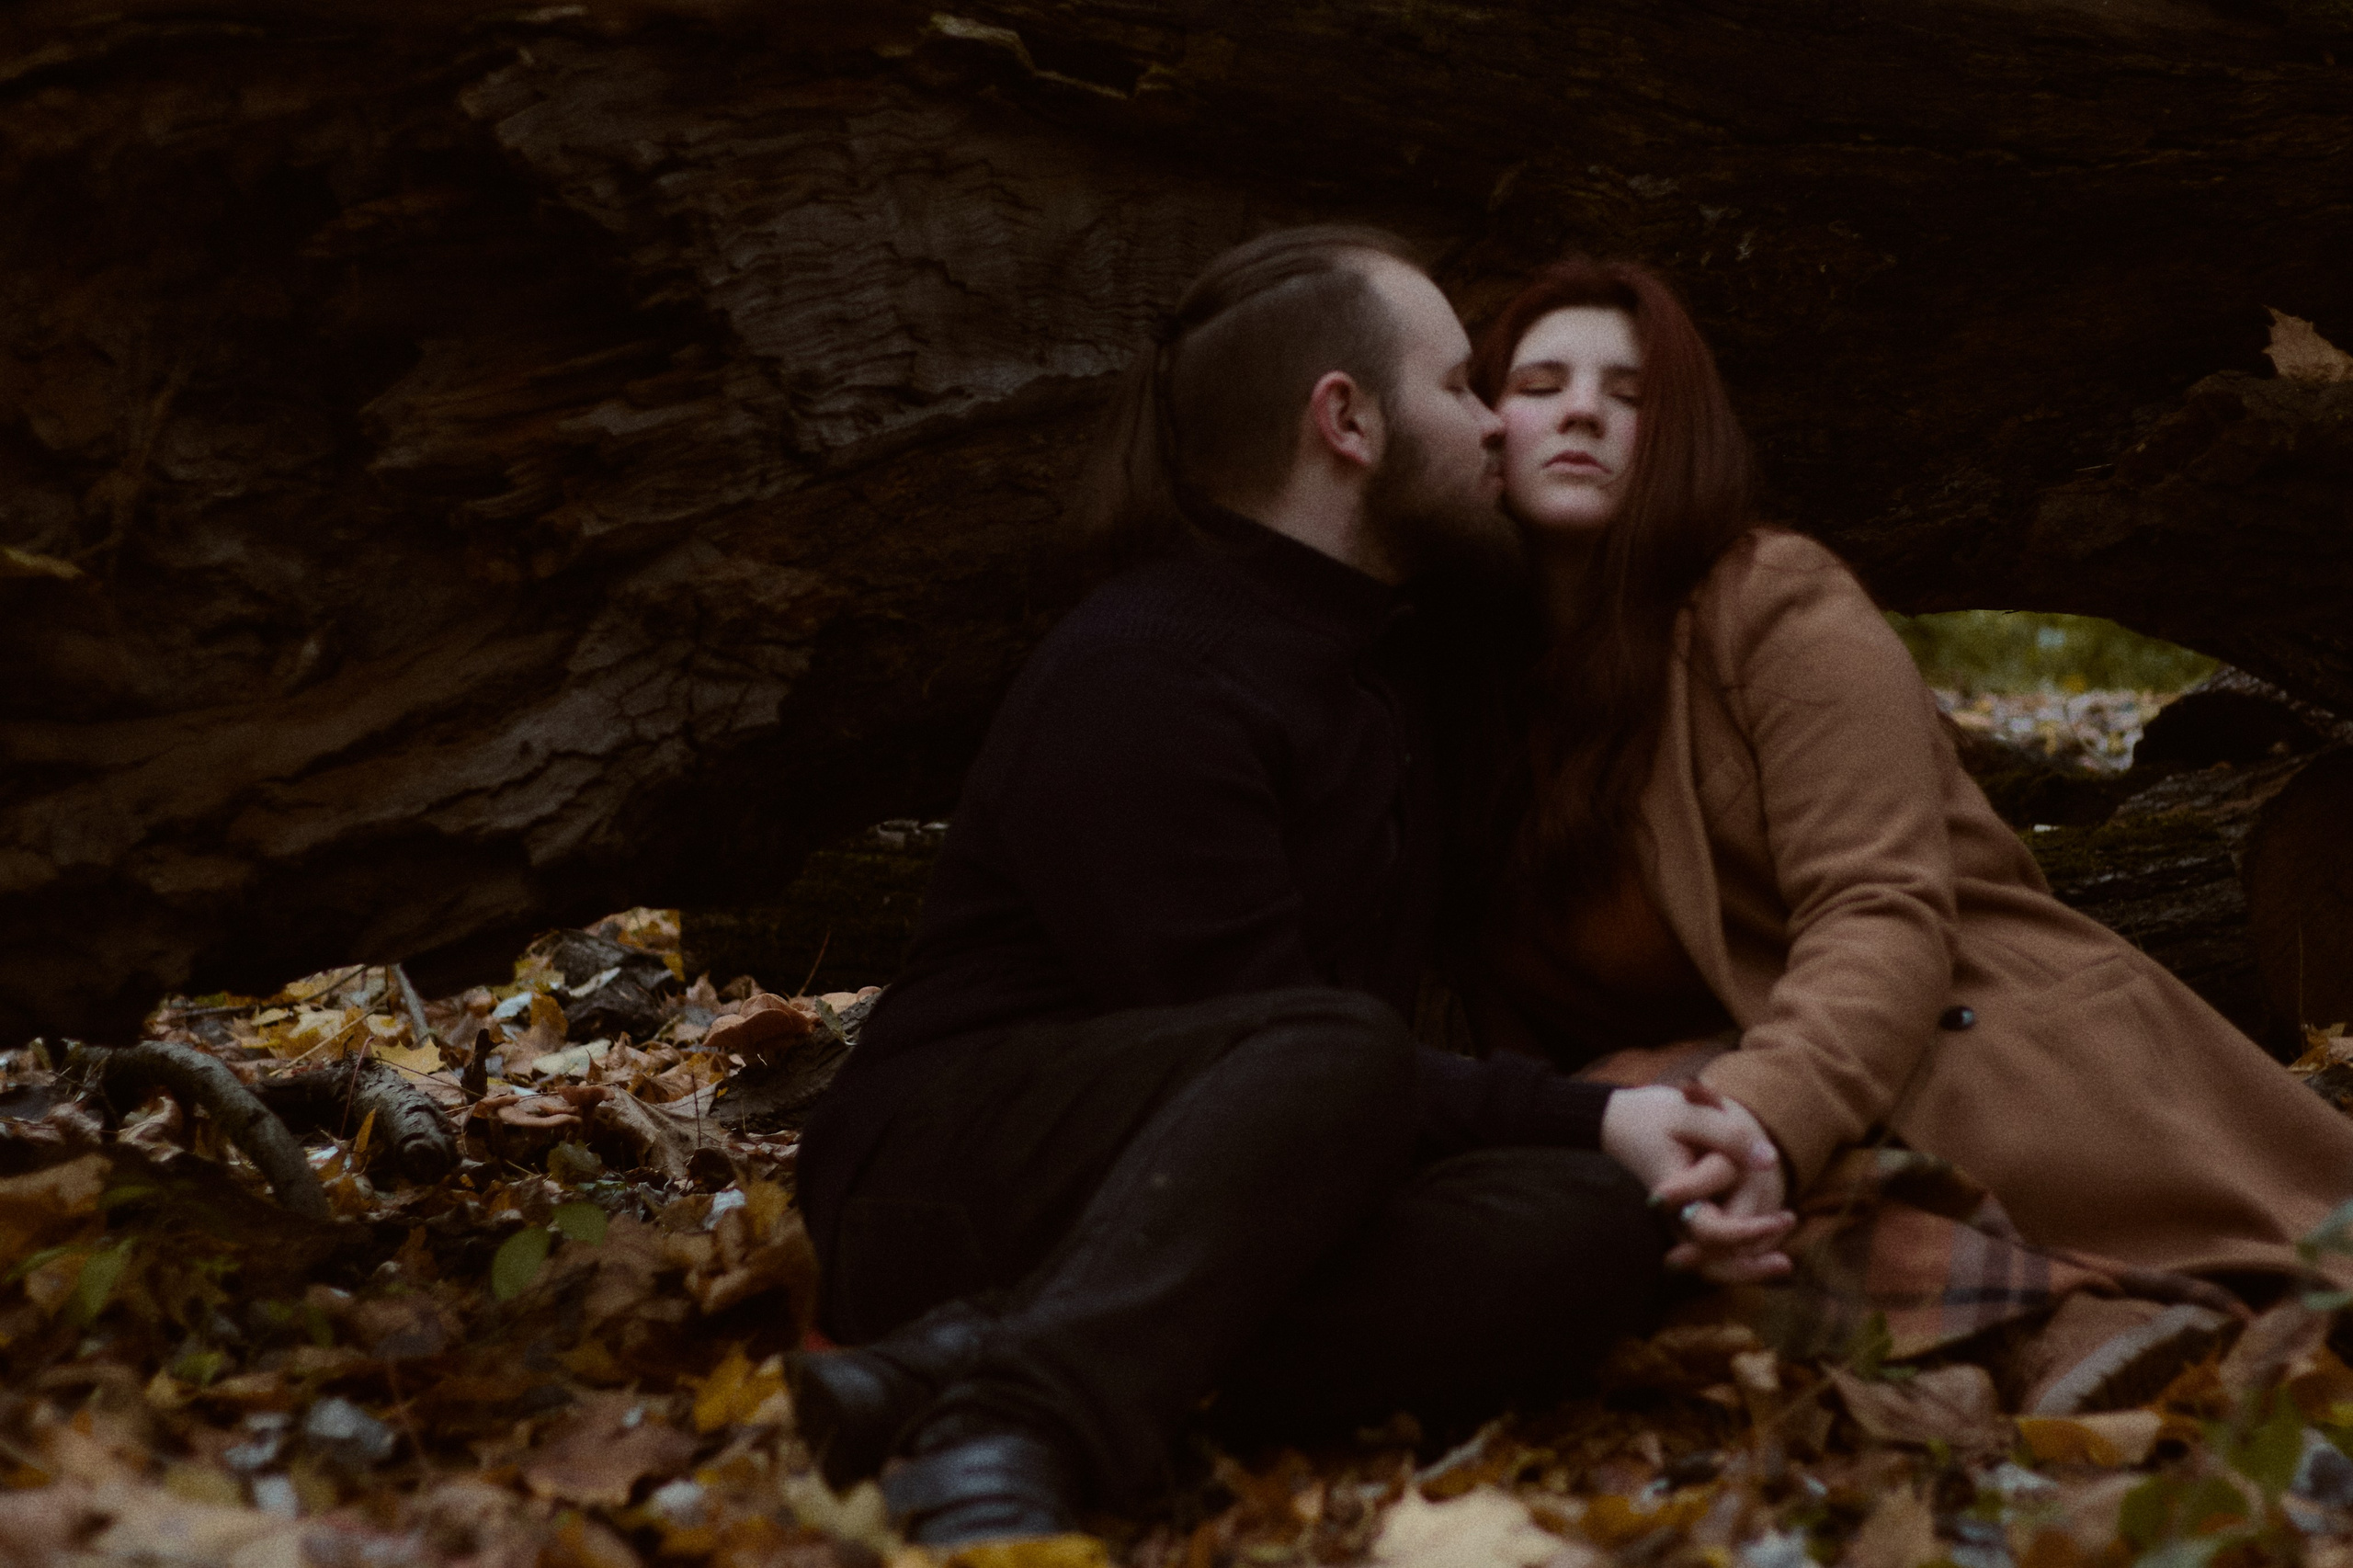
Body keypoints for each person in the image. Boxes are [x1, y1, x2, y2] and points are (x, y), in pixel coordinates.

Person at [790, 228, 1792, 1546]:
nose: (1499, 425)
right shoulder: (1147, 669)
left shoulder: (1381, 659)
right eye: (1460, 387)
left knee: (1601, 1230)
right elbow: (1265, 1035)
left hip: (1224, 1193)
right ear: (1347, 420)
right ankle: (1016, 1414)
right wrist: (1595, 1110)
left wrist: (1611, 1136)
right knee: (1344, 1047)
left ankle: (956, 1358)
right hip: (947, 1175)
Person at [1463, 254, 2353, 1324]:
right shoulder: (1463, 689)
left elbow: (1877, 909)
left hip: (1972, 1059)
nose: (1581, 415)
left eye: (1628, 395)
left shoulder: (1772, 602)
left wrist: (1755, 1114)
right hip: (1706, 1102)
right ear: (1483, 426)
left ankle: (2087, 1338)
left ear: (1681, 436)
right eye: (1540, 384)